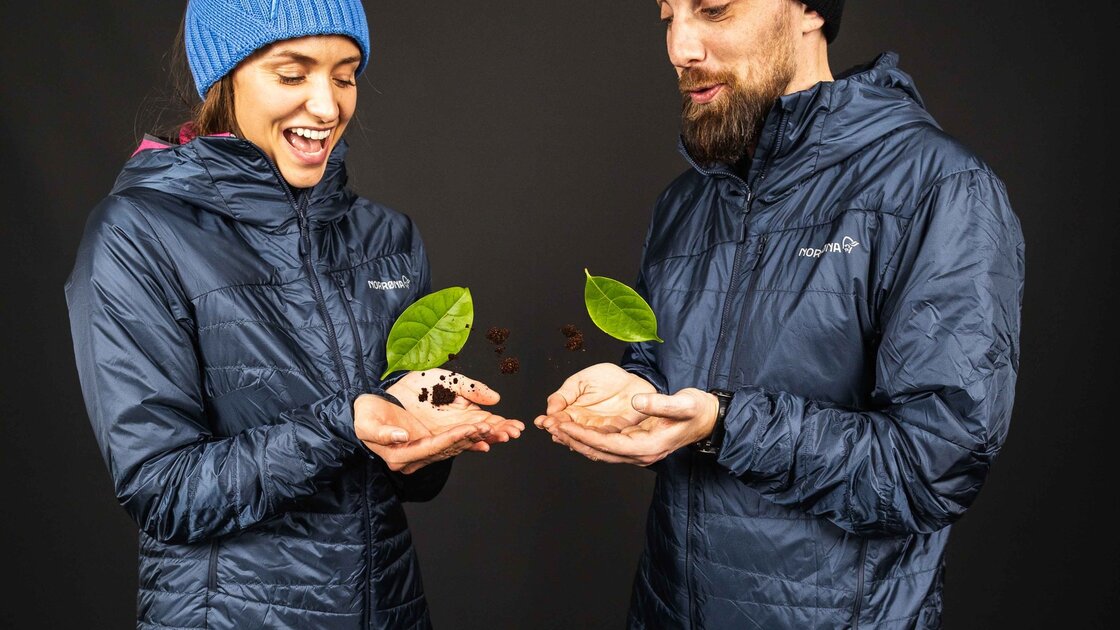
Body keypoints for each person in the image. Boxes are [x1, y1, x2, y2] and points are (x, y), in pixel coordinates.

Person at [536, 1, 1024, 628]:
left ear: (810, 10)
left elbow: (931, 466)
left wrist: (724, 424)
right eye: (667, 16)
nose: (679, 48)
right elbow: (667, 372)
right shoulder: (686, 203)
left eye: (713, 9)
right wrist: (637, 391)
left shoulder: (939, 189)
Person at [64, 1, 522, 627]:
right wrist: (345, 423)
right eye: (292, 74)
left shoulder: (387, 237)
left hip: (389, 609)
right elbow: (163, 491)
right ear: (223, 80)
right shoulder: (138, 234)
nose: (329, 108)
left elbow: (409, 483)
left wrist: (426, 433)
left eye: (344, 74)